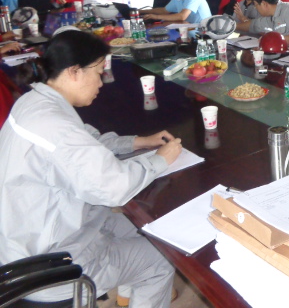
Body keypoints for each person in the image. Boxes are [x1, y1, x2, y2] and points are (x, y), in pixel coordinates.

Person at [0, 30, 181, 306]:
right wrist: (160, 160)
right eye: (98, 72)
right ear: (74, 71)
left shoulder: (36, 102)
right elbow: (113, 188)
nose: (102, 81)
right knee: (162, 260)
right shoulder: (55, 126)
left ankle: (128, 291)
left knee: (145, 228)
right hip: (52, 267)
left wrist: (139, 142)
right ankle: (138, 281)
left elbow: (87, 142)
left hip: (30, 241)